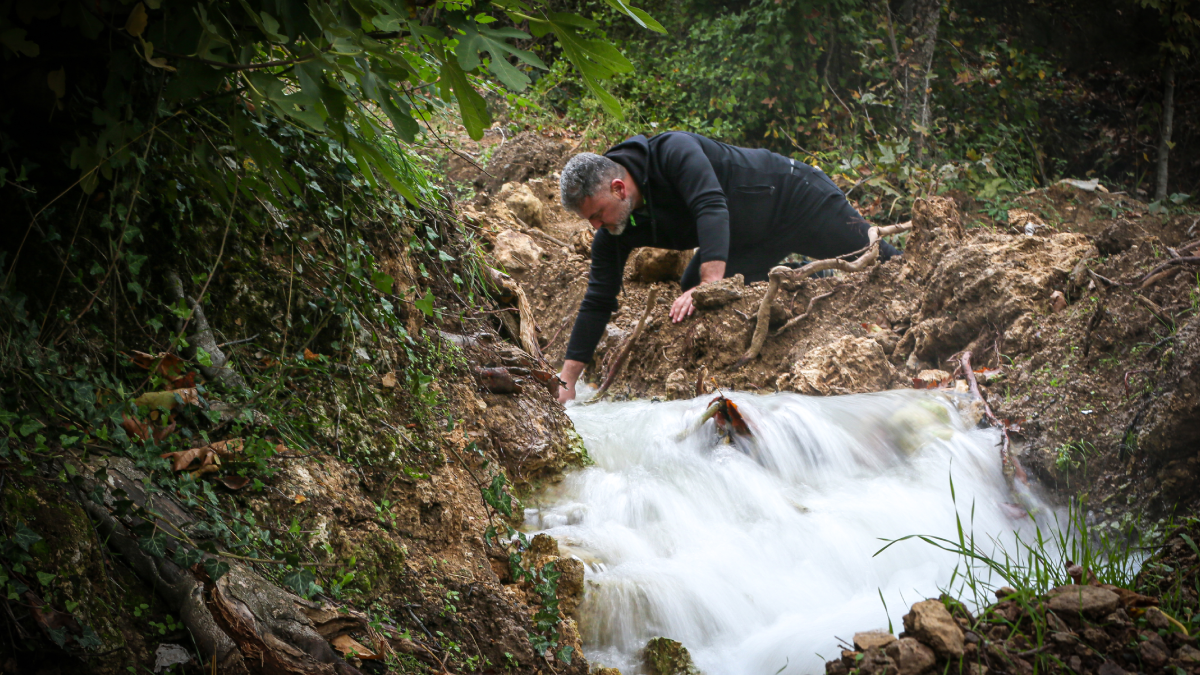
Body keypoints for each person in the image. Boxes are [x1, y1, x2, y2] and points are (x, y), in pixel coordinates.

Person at [554, 131, 901, 403]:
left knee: (886, 262)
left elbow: (710, 205)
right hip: (749, 238)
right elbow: (598, 298)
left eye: (597, 214)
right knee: (690, 282)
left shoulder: (673, 151)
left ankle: (904, 267)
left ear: (618, 188)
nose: (595, 227)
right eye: (590, 220)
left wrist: (709, 288)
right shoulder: (615, 227)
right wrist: (567, 381)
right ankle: (804, 275)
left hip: (796, 199)